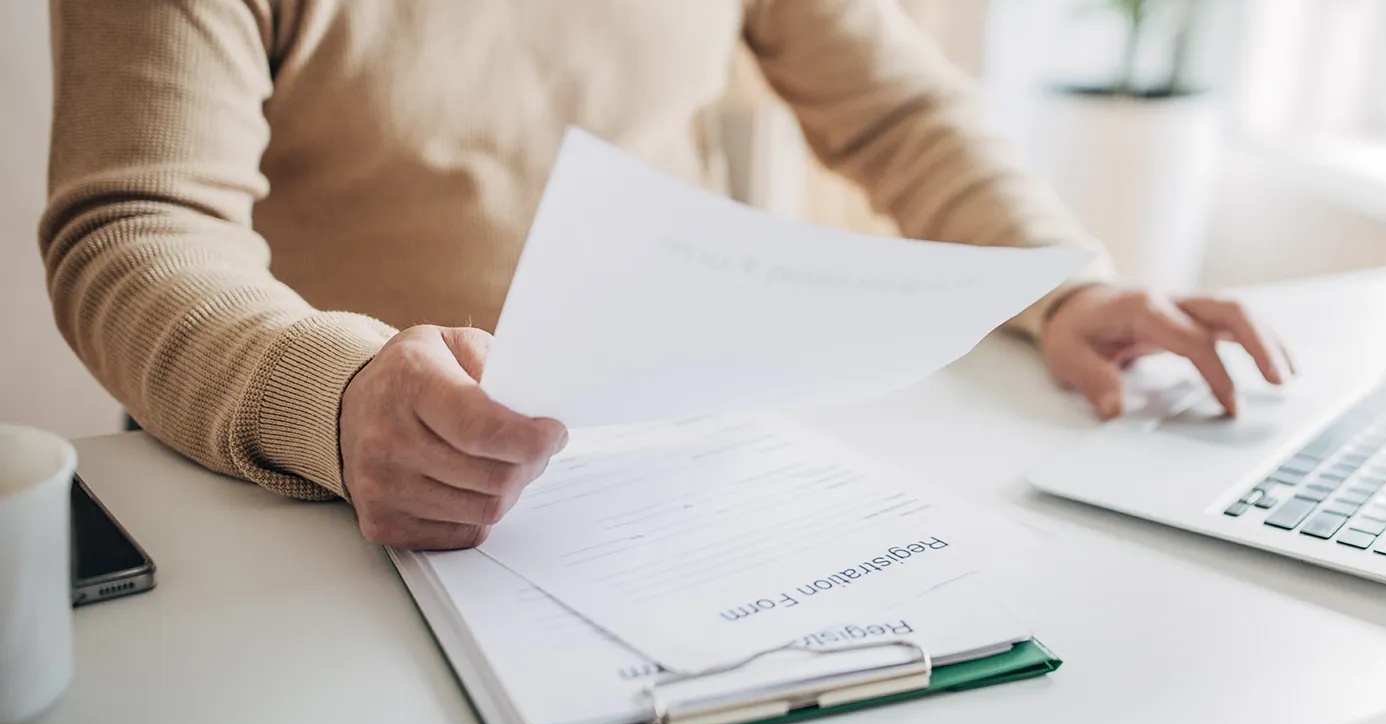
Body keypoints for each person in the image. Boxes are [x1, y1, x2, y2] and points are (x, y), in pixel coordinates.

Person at [40, 0, 1293, 551]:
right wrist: (335, 395)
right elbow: (135, 229)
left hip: (673, 471)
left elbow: (899, 106)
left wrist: (1062, 284)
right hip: (312, 505)